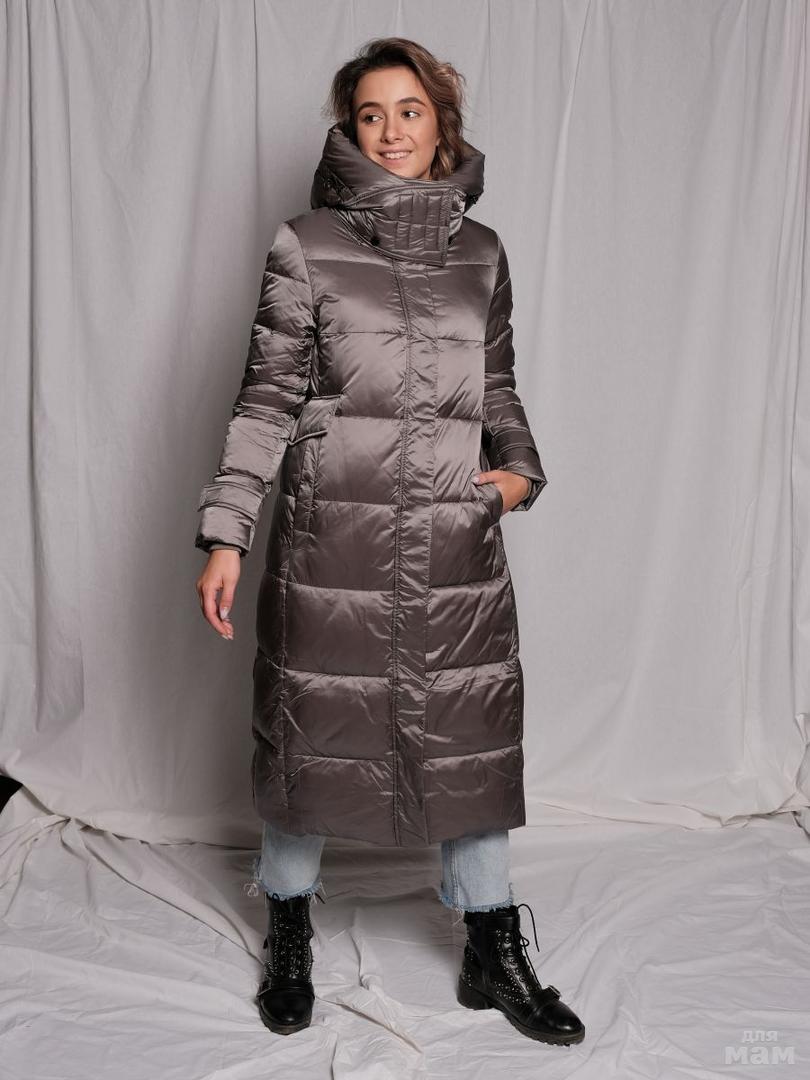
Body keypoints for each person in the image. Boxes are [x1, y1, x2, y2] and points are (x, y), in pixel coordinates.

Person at [194, 37, 585, 1047]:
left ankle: (491, 948)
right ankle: (289, 927)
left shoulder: (482, 252)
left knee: (470, 732)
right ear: (350, 128)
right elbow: (266, 398)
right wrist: (227, 532)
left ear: (440, 121)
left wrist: (518, 472)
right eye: (371, 113)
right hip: (333, 535)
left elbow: (497, 386)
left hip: (454, 536)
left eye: (409, 110)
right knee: (311, 727)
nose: (391, 131)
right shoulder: (306, 246)